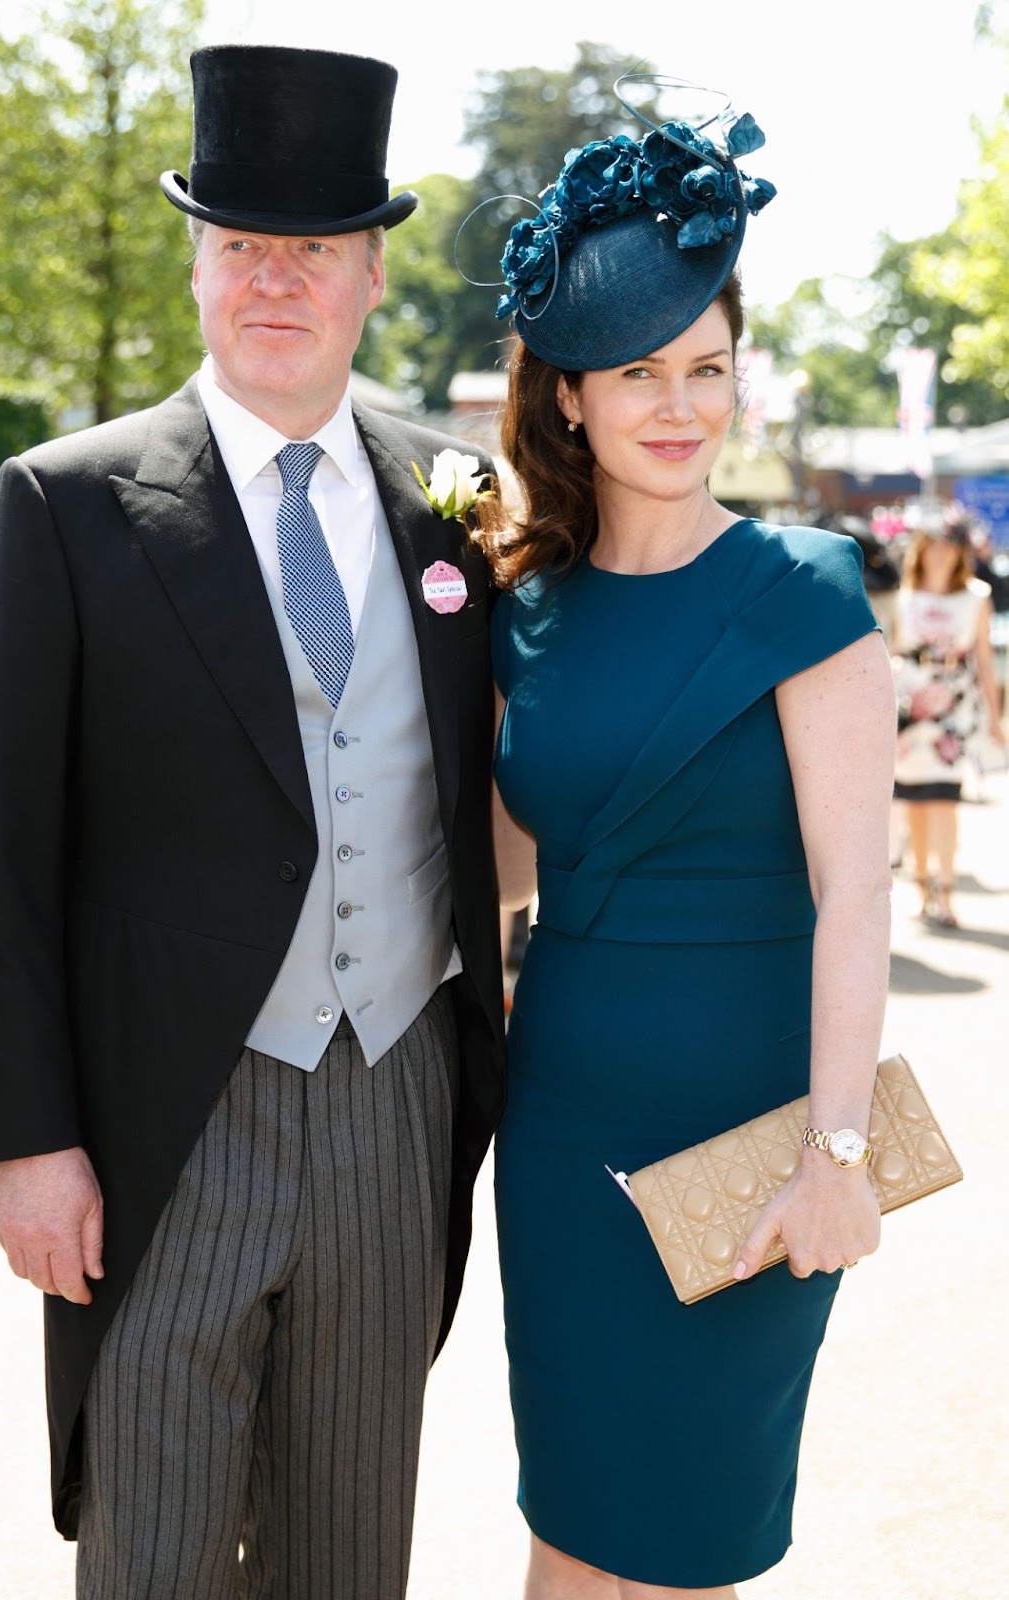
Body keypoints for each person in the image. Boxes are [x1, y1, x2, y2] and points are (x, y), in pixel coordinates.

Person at [0, 46, 505, 1600]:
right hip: (164, 1121)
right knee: (157, 1553)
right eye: (241, 244)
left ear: (371, 273)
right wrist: (33, 1138)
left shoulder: (454, 490)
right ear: (196, 261)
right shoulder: (67, 501)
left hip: (395, 1098)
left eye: (312, 248)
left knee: (349, 1555)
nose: (276, 281)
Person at [478, 89, 896, 1598]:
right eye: (636, 369)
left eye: (707, 367)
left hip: (756, 1137)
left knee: (685, 1546)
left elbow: (859, 891)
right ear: (567, 394)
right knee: (569, 1530)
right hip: (562, 1129)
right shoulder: (522, 610)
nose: (677, 403)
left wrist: (838, 1155)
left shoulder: (803, 588)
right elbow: (509, 867)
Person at [891, 523, 1005, 928]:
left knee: (945, 799)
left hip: (954, 708)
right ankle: (922, 889)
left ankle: (947, 890)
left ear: (960, 554)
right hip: (909, 704)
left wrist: (995, 718)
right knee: (914, 802)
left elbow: (985, 661)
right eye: (932, 548)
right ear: (919, 552)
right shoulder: (901, 598)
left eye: (947, 548)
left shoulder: (976, 597)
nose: (940, 556)